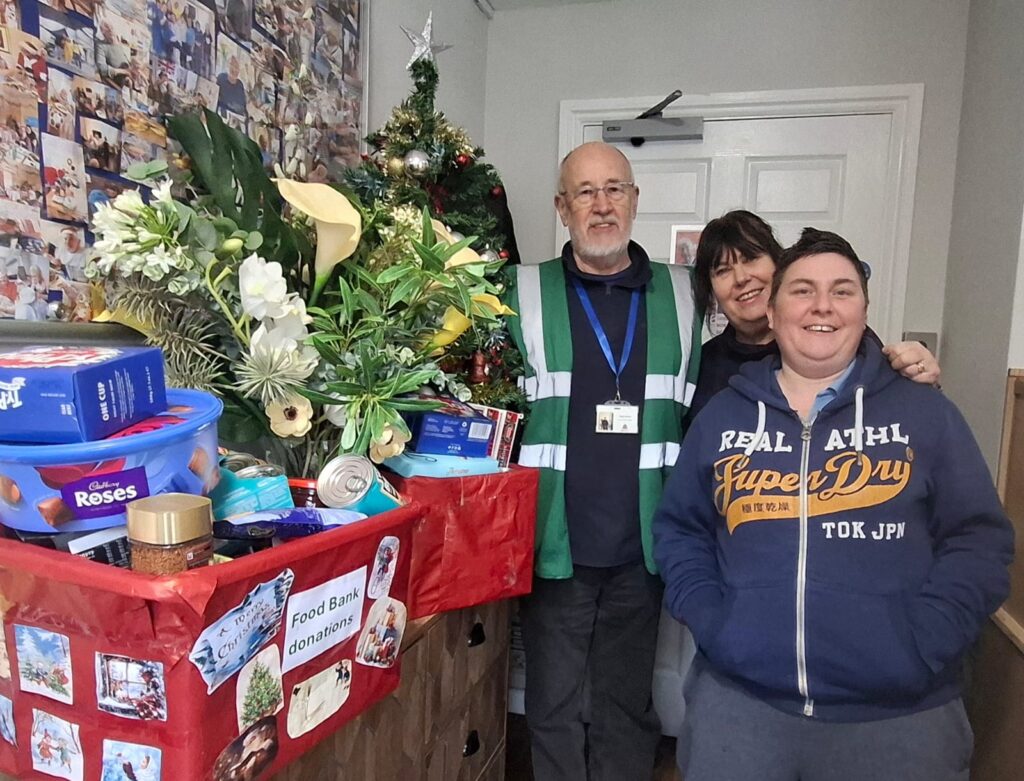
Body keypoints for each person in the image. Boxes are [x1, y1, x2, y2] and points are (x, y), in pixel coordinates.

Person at [653, 228, 1014, 781]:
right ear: (772, 313)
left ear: (864, 310)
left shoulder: (926, 414)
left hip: (902, 721)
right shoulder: (723, 416)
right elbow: (681, 528)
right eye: (802, 290)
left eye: (842, 291)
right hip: (741, 714)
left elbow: (979, 540)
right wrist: (714, 619)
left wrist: (925, 639)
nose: (822, 305)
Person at [505, 141, 702, 780]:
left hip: (641, 545)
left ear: (636, 201)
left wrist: (878, 356)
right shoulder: (521, 291)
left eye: (614, 188)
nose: (601, 204)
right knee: (554, 705)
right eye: (585, 192)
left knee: (626, 704)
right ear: (563, 208)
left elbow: (762, 359)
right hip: (555, 540)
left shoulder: (684, 294)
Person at [689, 210, 940, 420]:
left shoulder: (838, 340)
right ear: (711, 289)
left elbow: (905, 416)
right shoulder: (702, 364)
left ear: (779, 266)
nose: (742, 278)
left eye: (752, 258)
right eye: (722, 270)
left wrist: (919, 376)